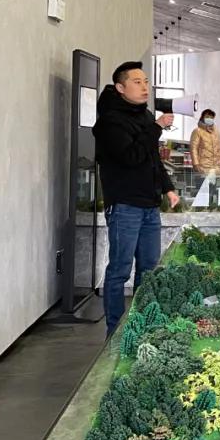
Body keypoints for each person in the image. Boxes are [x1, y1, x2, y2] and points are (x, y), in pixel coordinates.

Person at [93, 62, 180, 336]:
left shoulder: (145, 116)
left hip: (149, 207)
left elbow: (152, 158)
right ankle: (114, 331)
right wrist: (155, 128)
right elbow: (131, 157)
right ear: (121, 88)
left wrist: (167, 188)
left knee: (149, 270)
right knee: (120, 270)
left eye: (146, 82)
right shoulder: (110, 122)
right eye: (137, 82)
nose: (145, 87)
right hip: (125, 206)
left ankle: (142, 327)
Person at [190, 108, 220, 175]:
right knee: (204, 182)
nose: (209, 119)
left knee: (216, 182)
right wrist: (195, 164)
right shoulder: (197, 131)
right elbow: (193, 148)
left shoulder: (216, 132)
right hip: (203, 168)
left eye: (211, 117)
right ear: (202, 118)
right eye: (207, 117)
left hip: (217, 168)